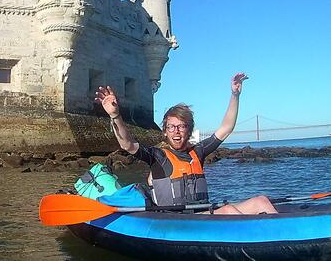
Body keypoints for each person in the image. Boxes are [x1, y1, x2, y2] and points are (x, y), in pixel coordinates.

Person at [94, 72, 278, 215]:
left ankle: (284, 238)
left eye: (181, 126)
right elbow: (127, 144)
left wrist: (234, 95)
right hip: (177, 220)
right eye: (171, 127)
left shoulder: (198, 152)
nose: (176, 131)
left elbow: (226, 128)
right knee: (229, 211)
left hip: (202, 213)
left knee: (261, 201)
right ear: (165, 130)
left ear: (188, 130)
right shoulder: (157, 156)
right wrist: (115, 115)